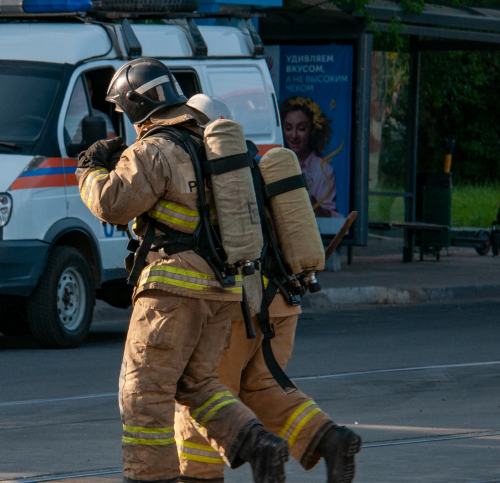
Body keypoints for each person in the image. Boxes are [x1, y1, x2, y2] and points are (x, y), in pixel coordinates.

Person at [76, 58, 290, 483]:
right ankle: (258, 443)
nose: (125, 123)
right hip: (222, 290)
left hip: (173, 291)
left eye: (123, 112)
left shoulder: (155, 149)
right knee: (198, 385)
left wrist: (89, 169)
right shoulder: (206, 143)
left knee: (144, 397)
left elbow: (113, 203)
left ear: (138, 106)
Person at [175, 95, 362, 483]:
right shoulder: (259, 169)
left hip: (234, 308)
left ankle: (206, 474)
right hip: (282, 300)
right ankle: (329, 438)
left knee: (203, 393)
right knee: (261, 387)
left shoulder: (204, 175)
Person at [280, 97, 342, 218]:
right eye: (288, 128)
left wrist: (309, 200)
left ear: (312, 130)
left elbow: (330, 218)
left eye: (301, 129)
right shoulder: (276, 164)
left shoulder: (324, 170)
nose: (294, 135)